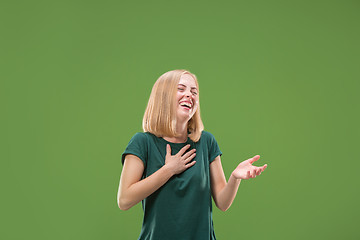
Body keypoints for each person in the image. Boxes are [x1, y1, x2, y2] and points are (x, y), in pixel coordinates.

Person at [117, 69, 267, 240]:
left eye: (193, 92)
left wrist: (235, 177)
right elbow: (124, 200)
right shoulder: (143, 143)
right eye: (181, 89)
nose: (189, 95)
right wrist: (169, 170)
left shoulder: (206, 142)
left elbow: (223, 203)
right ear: (163, 96)